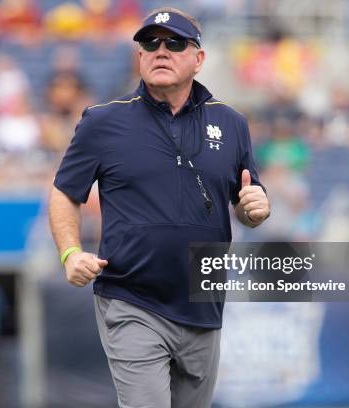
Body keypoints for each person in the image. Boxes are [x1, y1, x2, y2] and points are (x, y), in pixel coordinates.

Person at [48, 7, 270, 407]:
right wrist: (69, 252)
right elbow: (65, 192)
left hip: (202, 304)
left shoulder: (232, 123)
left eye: (175, 42)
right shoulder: (103, 122)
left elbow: (247, 201)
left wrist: (255, 208)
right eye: (150, 43)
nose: (160, 50)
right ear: (139, 56)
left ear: (198, 58)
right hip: (132, 299)